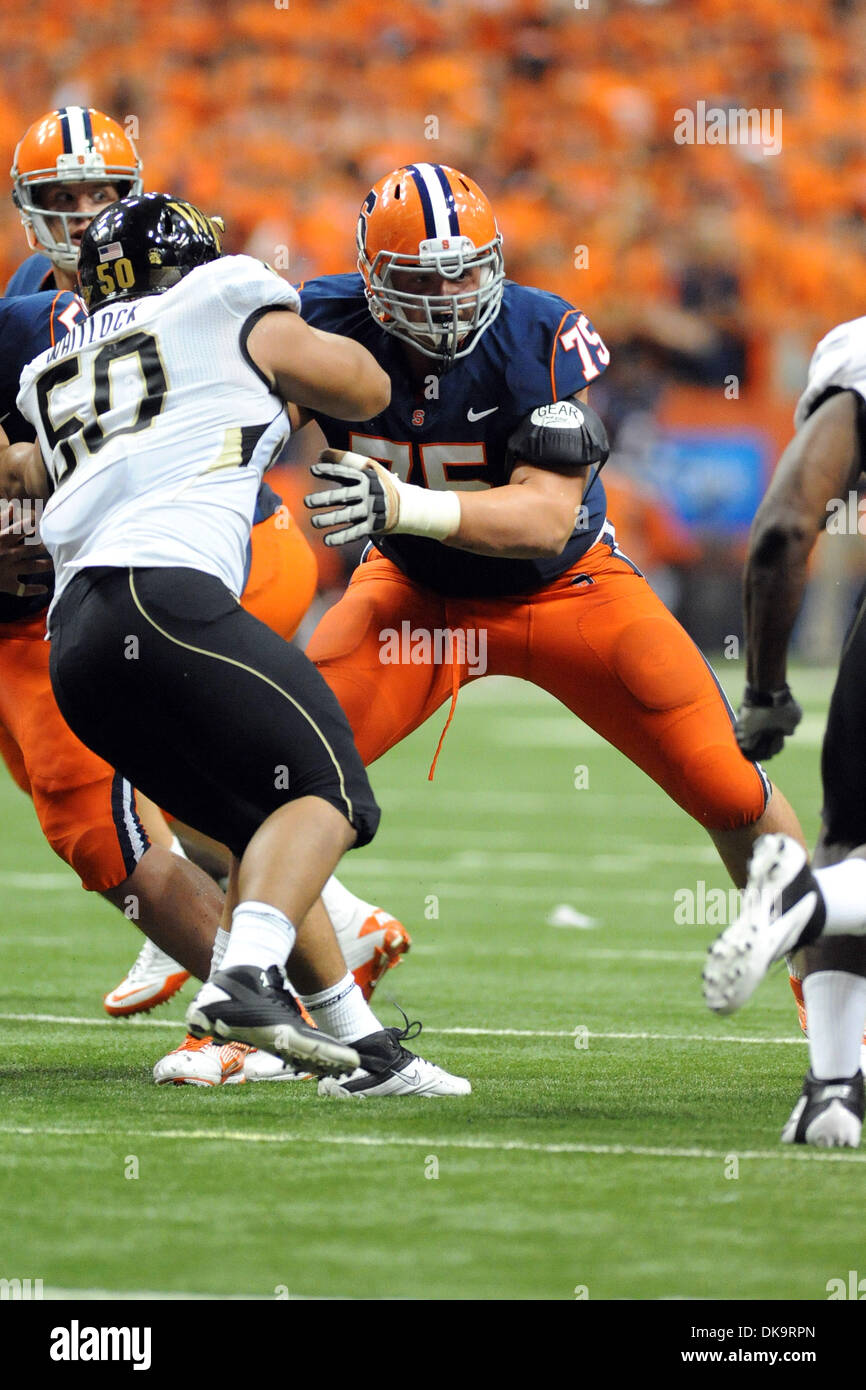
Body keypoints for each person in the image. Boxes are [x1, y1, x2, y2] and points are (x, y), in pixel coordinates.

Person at [10, 192, 468, 1096]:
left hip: (76, 642)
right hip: (164, 591)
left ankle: (365, 1052)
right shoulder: (223, 294)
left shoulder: (55, 367)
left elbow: (27, 467)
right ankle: (242, 982)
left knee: (253, 825)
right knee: (329, 793)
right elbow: (365, 387)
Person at [703, 315, 866, 1147]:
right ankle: (802, 902)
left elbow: (781, 531)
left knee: (852, 843)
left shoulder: (856, 349)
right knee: (841, 874)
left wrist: (765, 688)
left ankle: (832, 1092)